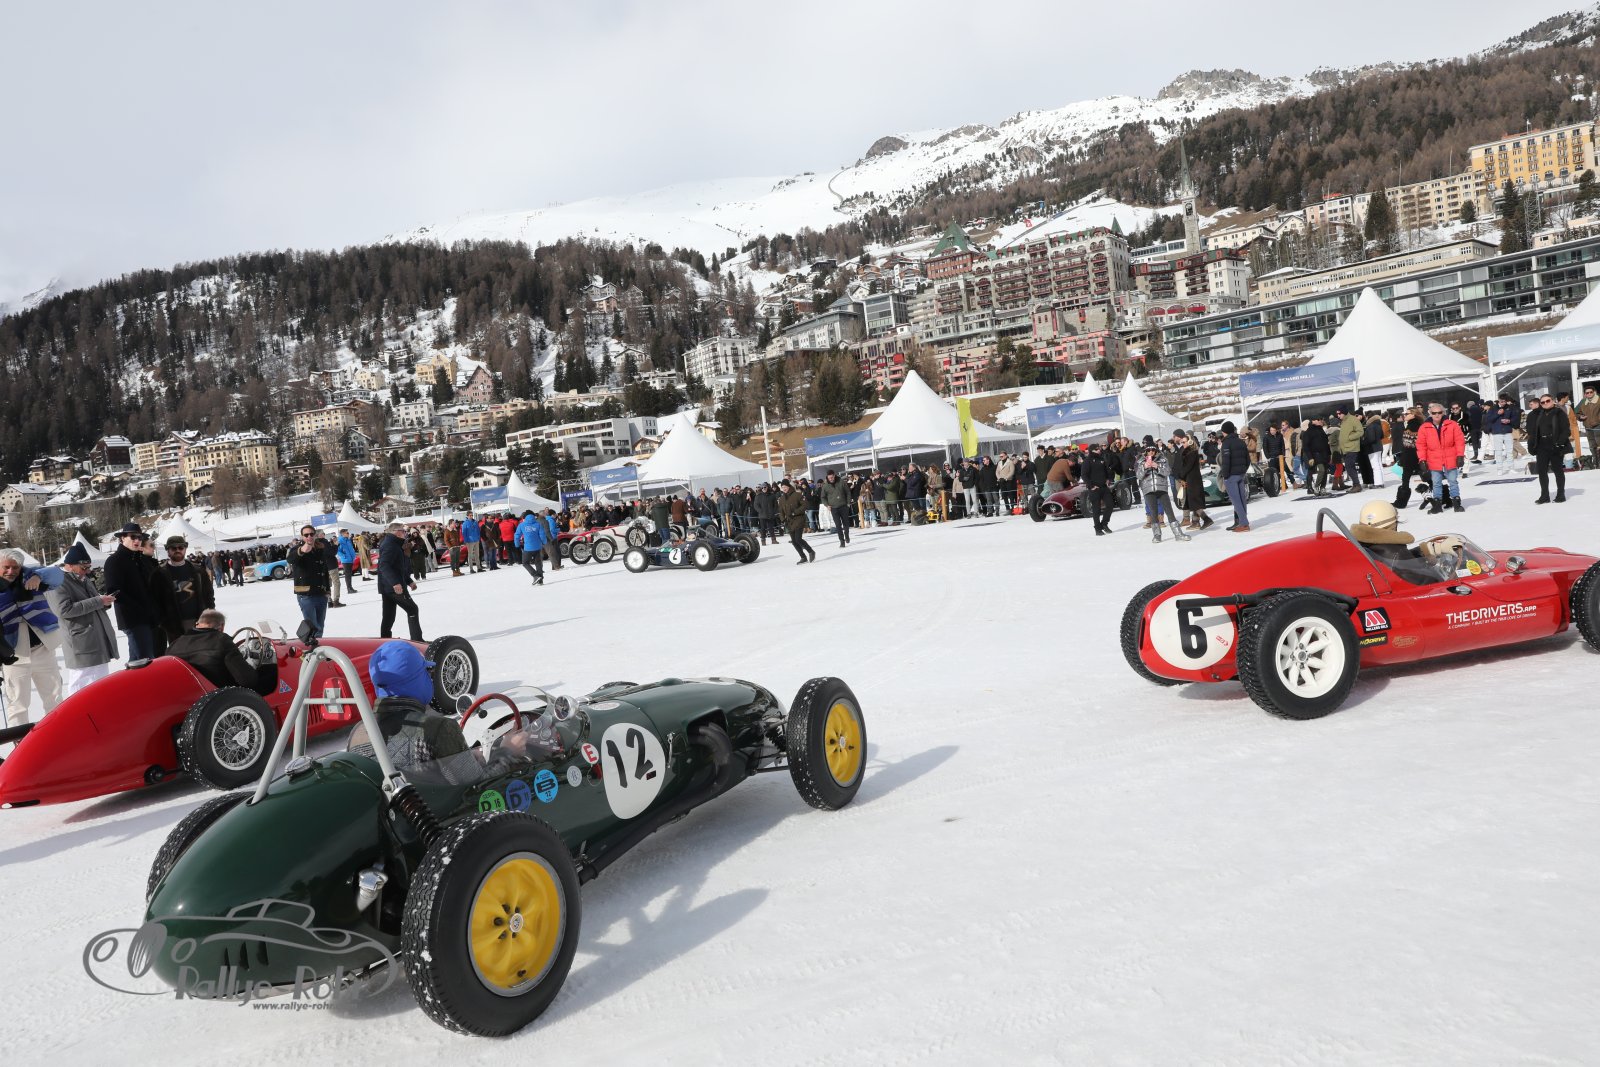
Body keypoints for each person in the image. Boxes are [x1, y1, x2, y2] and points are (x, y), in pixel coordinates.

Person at [0, 549, 65, 725]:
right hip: (14, 655)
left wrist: (38, 576)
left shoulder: (30, 575)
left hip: (43, 648)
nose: (11, 571)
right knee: (18, 705)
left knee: (55, 698)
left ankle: (57, 733)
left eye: (15, 567)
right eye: (6, 567)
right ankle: (20, 741)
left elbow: (58, 575)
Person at [47, 543, 119, 697]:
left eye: (88, 567)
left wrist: (104, 602)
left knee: (100, 682)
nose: (87, 571)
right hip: (81, 642)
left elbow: (92, 603)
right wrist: (99, 601)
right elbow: (64, 610)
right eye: (83, 567)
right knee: (80, 683)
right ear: (69, 565)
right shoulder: (57, 583)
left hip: (96, 638)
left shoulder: (83, 579)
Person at [1349, 500, 1443, 586]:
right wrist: (1441, 572)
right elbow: (1429, 583)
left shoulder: (1361, 546)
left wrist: (1423, 550)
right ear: (1393, 525)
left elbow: (1391, 559)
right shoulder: (1397, 553)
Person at [101, 523, 159, 661]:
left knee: (140, 660)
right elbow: (114, 591)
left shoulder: (139, 559)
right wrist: (140, 608)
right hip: (132, 619)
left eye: (140, 537)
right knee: (144, 660)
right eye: (133, 537)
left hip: (148, 617)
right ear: (122, 538)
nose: (137, 540)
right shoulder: (115, 560)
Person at [165, 609, 256, 689]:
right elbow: (247, 680)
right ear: (222, 627)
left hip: (186, 694)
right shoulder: (222, 641)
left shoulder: (173, 645)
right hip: (219, 696)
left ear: (197, 624)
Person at [375, 522, 423, 641]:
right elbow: (384, 566)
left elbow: (397, 567)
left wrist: (409, 581)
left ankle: (385, 640)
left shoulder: (394, 543)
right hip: (393, 587)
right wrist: (395, 583)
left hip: (388, 586)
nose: (405, 533)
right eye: (403, 531)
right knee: (412, 609)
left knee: (389, 615)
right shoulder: (390, 545)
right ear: (396, 532)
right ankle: (417, 639)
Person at [1416, 402, 1466, 514]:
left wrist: (1460, 455)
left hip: (1450, 457)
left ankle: (1456, 503)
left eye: (1439, 412)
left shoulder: (1452, 424)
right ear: (1430, 413)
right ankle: (1437, 505)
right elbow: (1421, 445)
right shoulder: (1424, 427)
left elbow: (1459, 441)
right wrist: (1422, 460)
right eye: (1434, 413)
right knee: (1436, 482)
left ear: (1443, 413)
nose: (1437, 415)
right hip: (1434, 458)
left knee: (1453, 481)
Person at [160, 535, 216, 633]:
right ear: (168, 551)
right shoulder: (159, 573)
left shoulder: (198, 570)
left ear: (185, 549)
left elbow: (208, 593)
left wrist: (211, 611)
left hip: (199, 620)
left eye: (180, 547)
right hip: (173, 623)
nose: (177, 550)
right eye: (173, 548)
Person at [1137, 446, 1190, 543]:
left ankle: (1178, 534)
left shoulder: (1162, 459)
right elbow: (1139, 476)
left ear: (1156, 450)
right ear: (1145, 451)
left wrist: (1157, 466)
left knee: (1169, 512)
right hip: (1148, 489)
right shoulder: (1140, 461)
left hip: (1161, 488)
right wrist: (1145, 467)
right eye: (1148, 450)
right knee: (1153, 513)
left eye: (1153, 450)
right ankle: (1157, 535)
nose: (1151, 452)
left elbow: (1167, 472)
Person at [1527, 392, 1571, 504]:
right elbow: (1533, 431)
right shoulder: (1539, 414)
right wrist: (1531, 445)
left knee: (1557, 470)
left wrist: (1559, 443)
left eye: (1548, 401)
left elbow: (1566, 430)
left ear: (1553, 401)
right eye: (1543, 402)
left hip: (1555, 444)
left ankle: (1560, 494)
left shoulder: (1559, 413)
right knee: (1541, 471)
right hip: (1542, 445)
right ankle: (1544, 496)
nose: (1545, 403)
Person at [289, 524, 332, 639]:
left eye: (311, 534)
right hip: (306, 595)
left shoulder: (320, 549)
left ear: (315, 535)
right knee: (312, 628)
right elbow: (291, 559)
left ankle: (317, 647)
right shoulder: (297, 549)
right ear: (302, 537)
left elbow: (324, 570)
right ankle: (312, 647)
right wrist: (301, 551)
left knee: (320, 627)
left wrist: (328, 589)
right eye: (306, 535)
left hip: (321, 593)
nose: (309, 537)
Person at [1217, 421, 1250, 532]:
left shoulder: (1226, 443)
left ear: (1225, 431)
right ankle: (1242, 521)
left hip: (1231, 476)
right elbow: (1248, 459)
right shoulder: (1241, 442)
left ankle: (1244, 524)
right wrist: (1243, 470)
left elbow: (1226, 461)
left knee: (1236, 501)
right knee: (1241, 499)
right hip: (1241, 474)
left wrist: (1225, 476)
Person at [777, 480, 815, 564]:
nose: (784, 489)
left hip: (799, 519)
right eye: (782, 487)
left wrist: (795, 512)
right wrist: (783, 519)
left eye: (785, 487)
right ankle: (803, 557)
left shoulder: (797, 495)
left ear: (789, 486)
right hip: (789, 521)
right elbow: (780, 511)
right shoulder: (782, 498)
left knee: (798, 539)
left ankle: (811, 551)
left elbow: (805, 505)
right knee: (794, 541)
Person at [1081, 443, 1114, 536]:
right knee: (1096, 509)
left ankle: (1104, 524)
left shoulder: (1102, 459)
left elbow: (1107, 471)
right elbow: (1084, 475)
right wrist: (1091, 486)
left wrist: (1108, 479)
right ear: (1092, 451)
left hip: (1104, 487)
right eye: (1096, 449)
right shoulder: (1087, 461)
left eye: (1099, 448)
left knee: (1110, 505)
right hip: (1094, 488)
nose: (1099, 450)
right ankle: (1097, 528)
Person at [1334, 405, 1365, 491]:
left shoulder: (1353, 419)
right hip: (1345, 448)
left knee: (1349, 466)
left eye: (1339, 414)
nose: (1338, 416)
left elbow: (1360, 431)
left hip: (1352, 447)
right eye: (1337, 414)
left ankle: (1357, 485)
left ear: (1344, 412)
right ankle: (1356, 485)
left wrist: (1350, 437)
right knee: (1349, 467)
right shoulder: (1343, 421)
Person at [1486, 397, 1518, 474]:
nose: (1503, 403)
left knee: (1509, 451)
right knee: (1498, 451)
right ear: (1498, 401)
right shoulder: (1493, 408)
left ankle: (1511, 467)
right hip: (1497, 432)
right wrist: (1498, 414)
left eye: (1504, 401)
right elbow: (1489, 419)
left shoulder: (1510, 408)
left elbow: (1515, 418)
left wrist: (1509, 421)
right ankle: (1499, 469)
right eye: (1501, 401)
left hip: (1507, 431)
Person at [1301, 415, 1331, 496]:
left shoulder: (1321, 430)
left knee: (1325, 471)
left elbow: (1326, 443)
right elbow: (1305, 446)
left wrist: (1329, 454)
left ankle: (1322, 488)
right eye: (1319, 419)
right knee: (1321, 470)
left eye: (1321, 419)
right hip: (1315, 454)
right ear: (1313, 421)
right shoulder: (1308, 432)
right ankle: (1316, 486)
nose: (1321, 421)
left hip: (1324, 454)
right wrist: (1310, 457)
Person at [516, 510, 547, 585]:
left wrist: (517, 544)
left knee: (525, 563)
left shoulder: (522, 525)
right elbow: (542, 535)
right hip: (537, 547)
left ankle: (535, 575)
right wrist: (544, 542)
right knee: (538, 563)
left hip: (528, 548)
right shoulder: (538, 524)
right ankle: (540, 580)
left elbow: (517, 536)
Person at [821, 471, 851, 547]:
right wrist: (827, 505)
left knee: (846, 523)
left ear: (834, 476)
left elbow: (848, 492)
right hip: (833, 508)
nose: (831, 479)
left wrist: (848, 503)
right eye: (829, 478)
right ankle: (841, 541)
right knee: (838, 525)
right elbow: (823, 497)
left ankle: (846, 535)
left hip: (843, 506)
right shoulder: (825, 486)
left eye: (832, 477)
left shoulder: (841, 482)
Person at [1578, 384, 1600, 466]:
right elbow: (1577, 412)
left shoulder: (1599, 400)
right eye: (1587, 393)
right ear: (1585, 394)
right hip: (1588, 427)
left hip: (1598, 426)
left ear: (1594, 392)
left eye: (1591, 392)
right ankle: (1595, 462)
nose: (1589, 394)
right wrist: (1580, 417)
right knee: (1592, 446)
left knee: (1599, 444)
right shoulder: (1583, 402)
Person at [336, 529, 359, 595]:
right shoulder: (340, 541)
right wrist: (344, 556)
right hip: (345, 560)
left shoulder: (348, 540)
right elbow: (338, 551)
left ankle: (350, 587)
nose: (348, 534)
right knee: (347, 575)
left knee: (349, 574)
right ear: (343, 534)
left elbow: (351, 549)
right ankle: (349, 588)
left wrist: (353, 556)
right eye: (347, 533)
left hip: (351, 559)